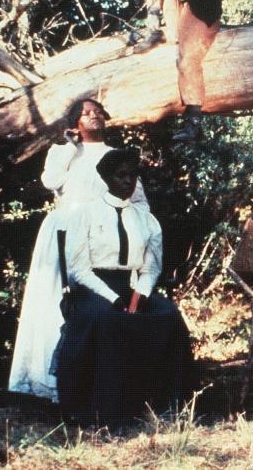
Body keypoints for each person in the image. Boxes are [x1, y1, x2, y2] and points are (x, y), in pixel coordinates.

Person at [8, 98, 150, 401]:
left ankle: (96, 381)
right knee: (59, 303)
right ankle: (54, 381)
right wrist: (70, 148)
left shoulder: (116, 156)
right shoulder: (63, 153)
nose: (94, 115)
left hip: (104, 236)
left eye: (98, 111)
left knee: (99, 303)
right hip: (65, 232)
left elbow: (139, 202)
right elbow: (51, 181)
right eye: (86, 113)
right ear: (74, 122)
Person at [53, 148, 194, 427]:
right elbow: (78, 268)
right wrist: (115, 300)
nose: (128, 182)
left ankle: (166, 404)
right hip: (93, 288)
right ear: (107, 178)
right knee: (108, 319)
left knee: (168, 315)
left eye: (132, 176)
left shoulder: (145, 218)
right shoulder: (86, 214)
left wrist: (138, 297)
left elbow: (151, 266)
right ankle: (103, 410)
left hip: (133, 286)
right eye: (121, 176)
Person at [143, 0, 222, 142]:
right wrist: (154, 8)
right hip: (185, 10)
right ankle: (154, 28)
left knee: (188, 62)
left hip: (205, 15)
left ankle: (194, 123)